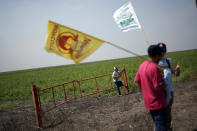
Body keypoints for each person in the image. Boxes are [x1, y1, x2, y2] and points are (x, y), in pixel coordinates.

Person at [134, 45, 167, 131]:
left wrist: (145, 93)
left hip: (149, 102)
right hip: (158, 103)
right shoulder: (154, 68)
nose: (160, 58)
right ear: (156, 55)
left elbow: (137, 81)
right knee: (161, 127)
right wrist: (165, 82)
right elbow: (157, 87)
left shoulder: (142, 65)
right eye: (160, 55)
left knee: (157, 124)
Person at [158, 42, 180, 130]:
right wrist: (161, 68)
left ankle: (168, 128)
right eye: (159, 51)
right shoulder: (154, 63)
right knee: (160, 115)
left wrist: (177, 70)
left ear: (165, 51)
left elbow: (176, 74)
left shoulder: (168, 61)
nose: (161, 53)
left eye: (163, 51)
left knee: (168, 114)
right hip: (160, 93)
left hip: (170, 92)